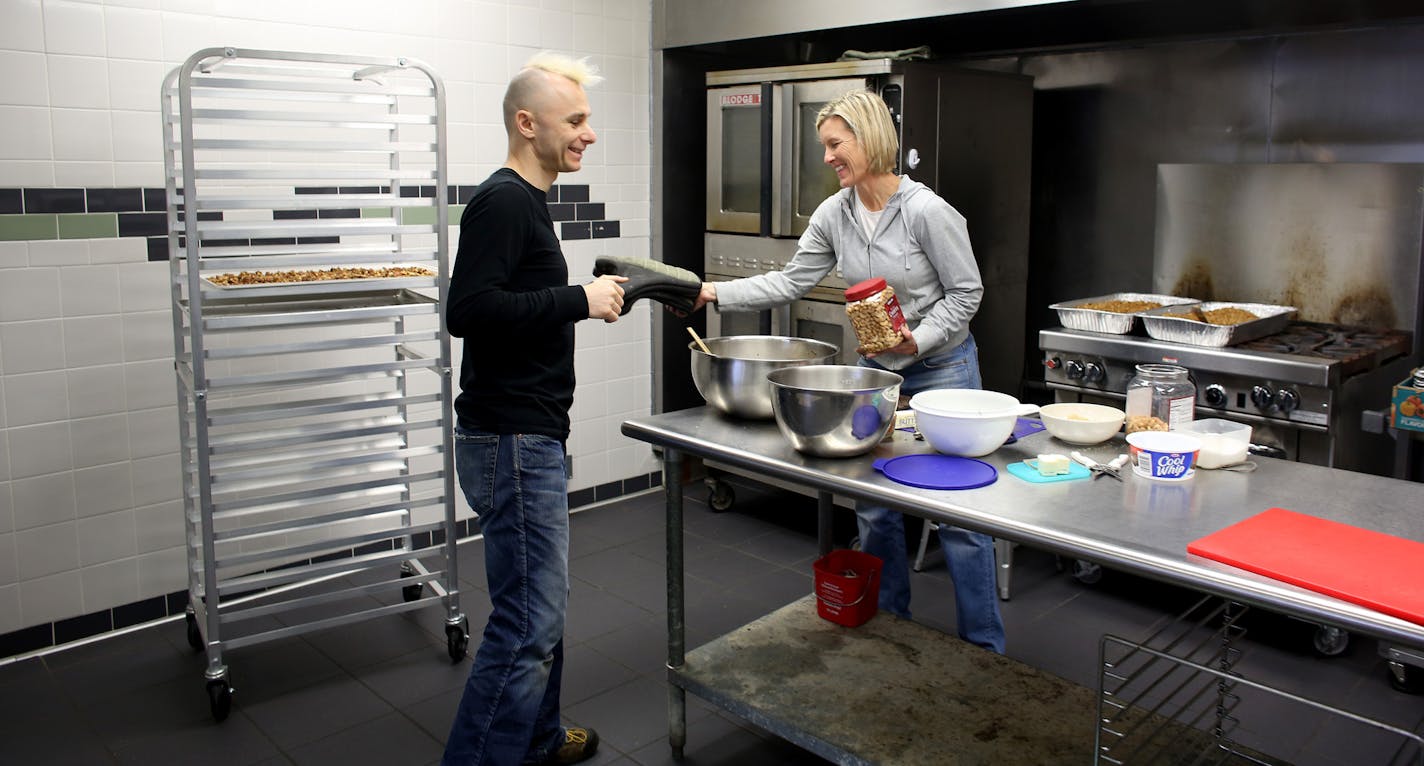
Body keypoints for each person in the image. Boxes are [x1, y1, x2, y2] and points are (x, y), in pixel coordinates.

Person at [690, 89, 1005, 654]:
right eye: (825, 147)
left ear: (870, 139)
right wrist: (710, 291)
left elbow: (966, 293)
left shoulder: (929, 213)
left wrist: (920, 337)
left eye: (836, 144)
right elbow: (790, 281)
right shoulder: (834, 214)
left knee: (960, 518)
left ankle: (984, 649)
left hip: (944, 371)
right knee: (875, 507)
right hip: (876, 375)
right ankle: (888, 630)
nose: (828, 157)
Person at [442, 52, 625, 766]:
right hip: (511, 439)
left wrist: (576, 297)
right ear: (528, 123)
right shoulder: (506, 199)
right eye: (575, 120)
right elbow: (470, 310)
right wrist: (578, 300)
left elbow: (510, 302)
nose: (588, 134)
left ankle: (540, 738)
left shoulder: (527, 200)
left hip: (526, 434)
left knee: (540, 612)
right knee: (526, 623)